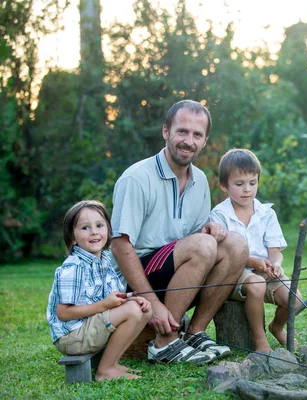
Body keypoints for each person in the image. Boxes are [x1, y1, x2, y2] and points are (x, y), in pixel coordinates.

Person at [110, 100, 248, 365]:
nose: (189, 141)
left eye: (197, 135)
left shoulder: (199, 184)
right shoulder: (137, 178)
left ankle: (195, 332)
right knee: (204, 245)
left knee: (236, 245)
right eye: (182, 131)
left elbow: (194, 237)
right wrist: (153, 304)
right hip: (133, 280)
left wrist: (207, 229)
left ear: (205, 140)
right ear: (165, 132)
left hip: (177, 274)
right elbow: (119, 246)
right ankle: (164, 342)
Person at [47, 200, 152, 381]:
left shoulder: (105, 261)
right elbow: (63, 313)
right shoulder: (74, 267)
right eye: (85, 228)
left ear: (108, 231)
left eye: (99, 225)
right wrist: (106, 304)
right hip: (72, 336)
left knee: (144, 308)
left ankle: (114, 362)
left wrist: (127, 300)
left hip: (90, 326)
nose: (94, 231)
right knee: (133, 310)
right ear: (73, 237)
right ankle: (105, 371)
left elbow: (110, 300)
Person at [210, 148, 301, 353]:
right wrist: (251, 262)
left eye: (253, 183)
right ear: (224, 185)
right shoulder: (220, 215)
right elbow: (222, 255)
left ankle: (276, 327)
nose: (247, 190)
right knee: (257, 284)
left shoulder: (266, 213)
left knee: (294, 298)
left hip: (264, 271)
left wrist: (276, 264)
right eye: (239, 184)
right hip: (235, 274)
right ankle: (260, 340)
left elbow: (275, 251)